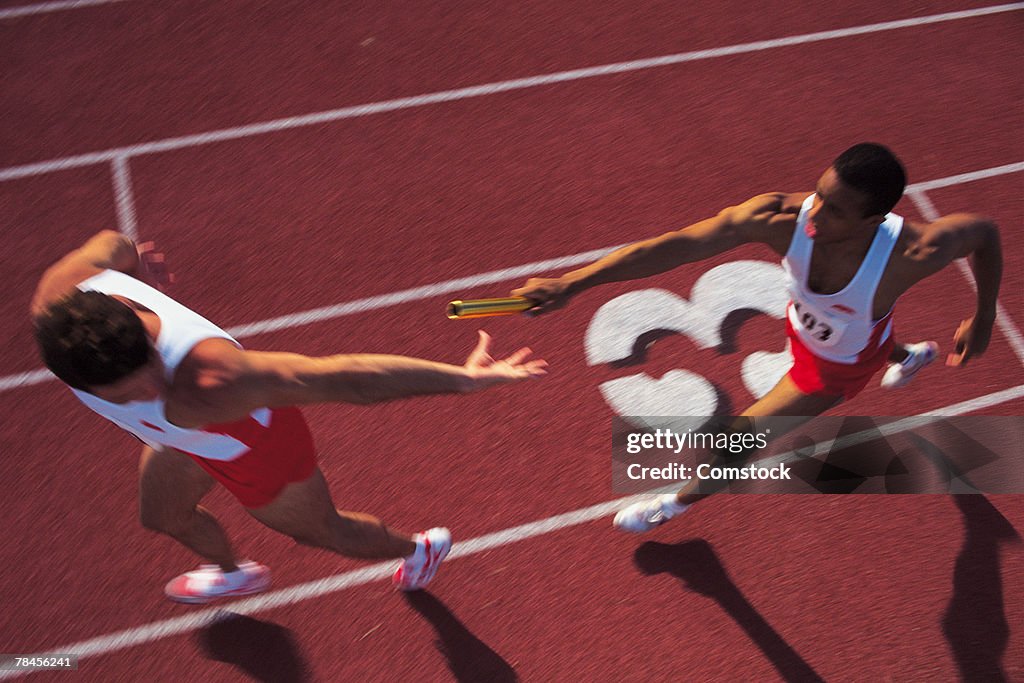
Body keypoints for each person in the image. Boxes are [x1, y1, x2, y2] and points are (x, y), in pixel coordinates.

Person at [31, 233, 548, 602]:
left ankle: (420, 548)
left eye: (148, 371)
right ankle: (234, 574)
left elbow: (344, 378)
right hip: (183, 441)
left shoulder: (215, 379)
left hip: (252, 444)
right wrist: (134, 269)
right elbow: (113, 242)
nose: (150, 390)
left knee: (322, 532)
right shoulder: (62, 290)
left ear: (144, 333)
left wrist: (463, 379)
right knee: (162, 516)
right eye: (124, 394)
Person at [511, 143, 1001, 531]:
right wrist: (573, 283)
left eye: (834, 211)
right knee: (867, 326)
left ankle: (674, 505)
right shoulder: (781, 219)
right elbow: (675, 248)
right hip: (825, 324)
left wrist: (982, 318)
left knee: (733, 441)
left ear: (874, 221)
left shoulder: (915, 253)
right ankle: (908, 355)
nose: (813, 216)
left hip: (833, 370)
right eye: (818, 194)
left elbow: (985, 233)